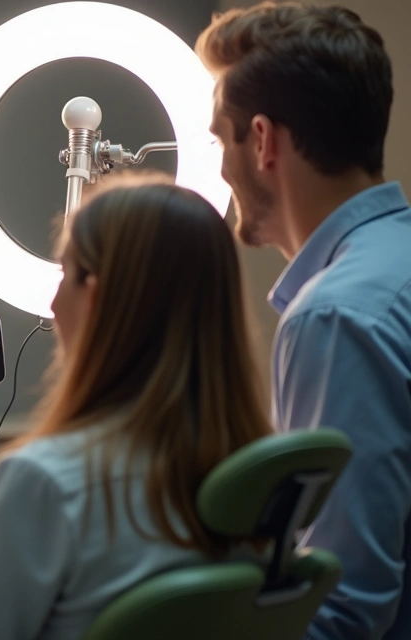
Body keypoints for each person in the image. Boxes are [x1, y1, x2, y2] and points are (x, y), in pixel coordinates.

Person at [0, 182, 273, 639]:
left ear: (95, 297)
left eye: (65, 272)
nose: (54, 302)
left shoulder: (42, 483)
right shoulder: (261, 476)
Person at [198, 4, 411, 638]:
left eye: (219, 139)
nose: (218, 167)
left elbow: (344, 610)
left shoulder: (335, 316)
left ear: (261, 140)